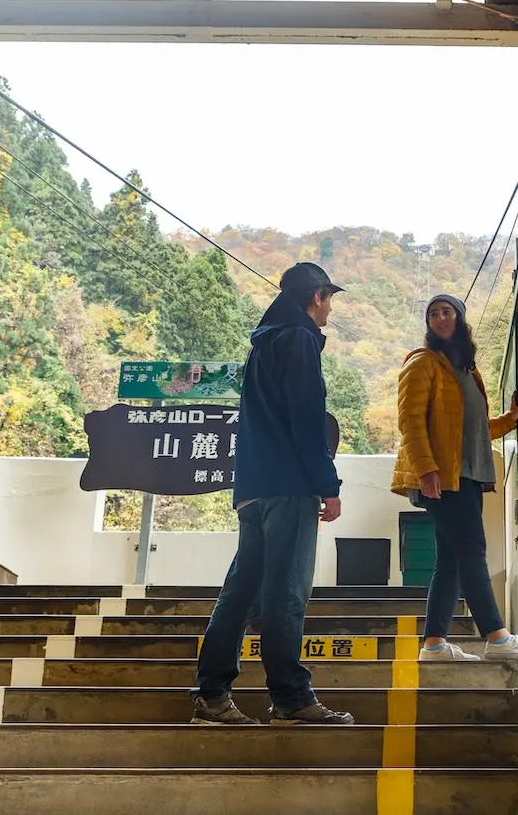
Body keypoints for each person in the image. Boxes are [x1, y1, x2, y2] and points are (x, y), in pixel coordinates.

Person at [191, 262, 353, 725]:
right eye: (329, 299)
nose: (329, 310)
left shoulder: (263, 344)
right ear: (317, 297)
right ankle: (291, 699)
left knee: (242, 593)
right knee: (286, 594)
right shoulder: (299, 339)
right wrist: (327, 485)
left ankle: (211, 696)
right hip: (289, 487)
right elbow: (307, 420)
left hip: (253, 488)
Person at [391, 294, 518, 662]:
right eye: (433, 314)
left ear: (460, 318)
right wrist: (426, 469)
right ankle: (496, 636)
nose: (440, 318)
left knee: (451, 559)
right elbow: (410, 421)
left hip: (466, 474)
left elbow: (475, 430)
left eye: (447, 311)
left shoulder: (466, 370)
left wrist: (511, 419)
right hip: (442, 476)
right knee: (472, 550)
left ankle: (434, 644)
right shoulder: (422, 362)